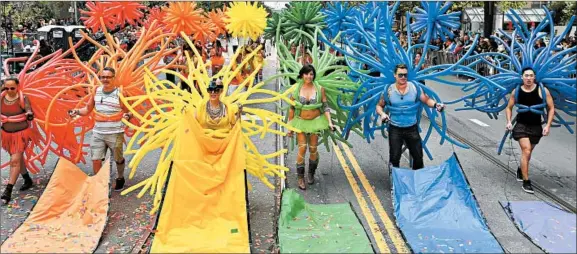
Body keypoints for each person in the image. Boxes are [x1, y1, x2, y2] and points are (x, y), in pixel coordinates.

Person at [68, 67, 132, 191]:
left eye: (108, 77)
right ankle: (99, 183)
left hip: (115, 132)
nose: (105, 79)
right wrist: (76, 111)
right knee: (96, 159)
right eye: (103, 77)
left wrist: (127, 116)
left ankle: (120, 177)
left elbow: (129, 111)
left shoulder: (120, 93)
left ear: (114, 78)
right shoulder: (96, 91)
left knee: (118, 159)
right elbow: (87, 110)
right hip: (98, 133)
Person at [376, 64, 445, 170]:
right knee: (394, 158)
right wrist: (382, 114)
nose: (403, 77)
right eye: (400, 75)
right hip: (395, 128)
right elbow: (379, 106)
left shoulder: (415, 88)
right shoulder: (388, 90)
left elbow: (426, 100)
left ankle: (417, 180)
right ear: (395, 75)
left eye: (405, 75)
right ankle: (395, 182)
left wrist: (436, 105)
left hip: (411, 128)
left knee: (418, 157)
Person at [505, 67, 554, 194]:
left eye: (531, 76)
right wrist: (509, 122)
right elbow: (509, 107)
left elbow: (551, 108)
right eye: (526, 75)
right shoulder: (516, 91)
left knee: (528, 153)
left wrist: (548, 125)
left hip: (536, 126)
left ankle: (521, 170)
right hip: (521, 125)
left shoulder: (542, 90)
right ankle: (526, 182)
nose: (528, 78)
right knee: (526, 150)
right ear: (522, 77)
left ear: (534, 77)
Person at [287, 65, 335, 190]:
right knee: (302, 148)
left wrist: (329, 122)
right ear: (302, 75)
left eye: (311, 74)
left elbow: (325, 106)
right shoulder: (296, 89)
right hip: (301, 122)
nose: (309, 76)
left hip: (316, 122)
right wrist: (289, 127)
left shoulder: (319, 89)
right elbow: (292, 108)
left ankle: (311, 174)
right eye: (307, 74)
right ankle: (300, 178)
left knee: (313, 149)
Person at [1, 77, 35, 204]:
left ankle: (8, 191)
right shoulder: (1, 97)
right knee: (18, 158)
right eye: (6, 88)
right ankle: (27, 179)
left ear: (18, 87)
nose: (9, 90)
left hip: (20, 135)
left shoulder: (23, 97)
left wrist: (29, 114)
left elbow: (28, 109)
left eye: (12, 88)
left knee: (15, 160)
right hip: (6, 135)